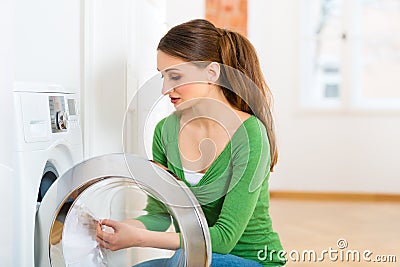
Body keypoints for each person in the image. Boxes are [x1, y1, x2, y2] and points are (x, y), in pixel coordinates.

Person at [96, 19, 286, 267]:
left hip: (250, 259)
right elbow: (159, 214)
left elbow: (224, 239)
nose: (165, 89)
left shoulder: (250, 134)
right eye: (163, 77)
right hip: (193, 258)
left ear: (212, 73)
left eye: (175, 76)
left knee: (179, 261)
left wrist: (140, 239)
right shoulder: (165, 131)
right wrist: (122, 229)